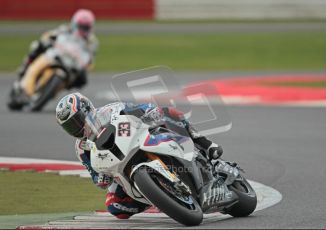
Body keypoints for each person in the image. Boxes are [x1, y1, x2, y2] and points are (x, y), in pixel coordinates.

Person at [55, 92, 227, 219]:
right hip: (121, 169)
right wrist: (101, 178)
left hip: (140, 139)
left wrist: (151, 112)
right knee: (115, 206)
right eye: (70, 127)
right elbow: (95, 176)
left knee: (167, 112)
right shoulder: (81, 148)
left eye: (77, 121)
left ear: (86, 110)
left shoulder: (110, 110)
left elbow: (140, 108)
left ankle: (204, 143)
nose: (76, 129)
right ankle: (159, 199)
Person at [16, 9, 98, 90]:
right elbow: (49, 35)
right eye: (81, 26)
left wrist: (84, 68)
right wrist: (48, 39)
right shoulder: (65, 29)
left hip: (71, 65)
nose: (83, 30)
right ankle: (24, 69)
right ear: (75, 24)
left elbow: (90, 60)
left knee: (81, 80)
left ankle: (51, 91)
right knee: (36, 47)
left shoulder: (91, 41)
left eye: (86, 27)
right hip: (55, 55)